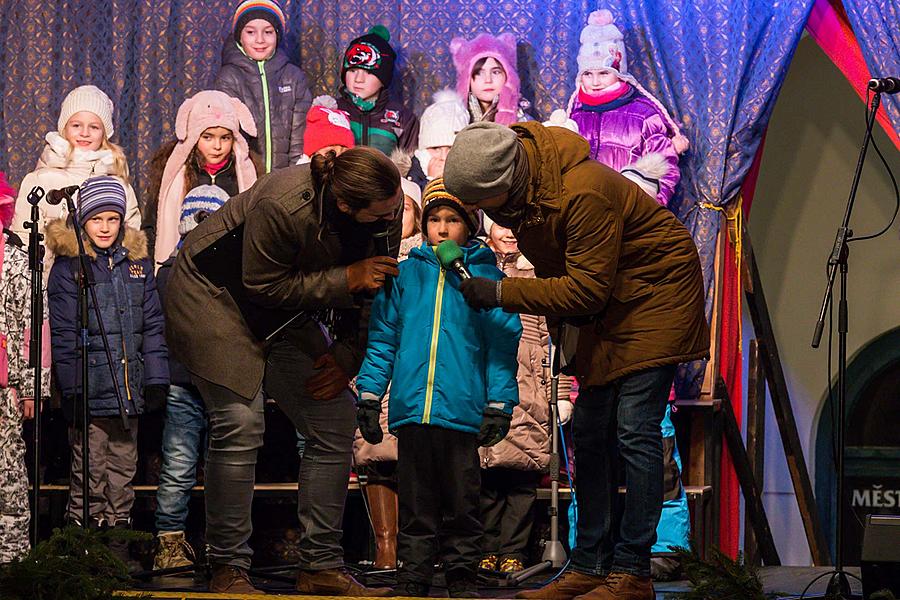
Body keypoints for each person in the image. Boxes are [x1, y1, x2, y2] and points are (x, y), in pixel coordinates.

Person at [443, 121, 709, 600]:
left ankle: (632, 573)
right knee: (589, 433)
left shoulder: (581, 192)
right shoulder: (530, 196)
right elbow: (570, 279)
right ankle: (589, 565)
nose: (481, 214)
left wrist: (501, 292)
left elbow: (584, 288)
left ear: (504, 185)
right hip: (609, 306)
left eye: (482, 203)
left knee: (634, 429)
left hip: (656, 297)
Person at [164, 147, 403, 595]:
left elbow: (376, 284)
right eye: (383, 212)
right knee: (239, 421)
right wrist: (345, 278)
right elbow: (261, 284)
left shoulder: (387, 204)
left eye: (394, 208)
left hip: (286, 307)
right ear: (347, 205)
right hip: (214, 298)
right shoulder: (284, 202)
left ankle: (320, 567)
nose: (394, 217)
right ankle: (228, 567)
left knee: (333, 417)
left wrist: (347, 356)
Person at [355, 177, 522, 597]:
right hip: (414, 410)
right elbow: (383, 339)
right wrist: (371, 397)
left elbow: (501, 345)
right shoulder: (406, 275)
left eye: (453, 220)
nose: (442, 229)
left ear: (470, 225)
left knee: (462, 502)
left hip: (461, 411)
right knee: (416, 502)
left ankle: (461, 573)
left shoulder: (483, 276)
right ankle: (413, 575)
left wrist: (500, 403)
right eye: (434, 220)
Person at [46, 176, 169, 563]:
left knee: (123, 473)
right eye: (96, 219)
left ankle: (117, 553)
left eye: (112, 219)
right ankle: (86, 555)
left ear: (121, 222)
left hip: (127, 392)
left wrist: (155, 380)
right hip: (90, 391)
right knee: (89, 475)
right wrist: (71, 389)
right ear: (82, 221)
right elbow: (64, 335)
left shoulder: (137, 267)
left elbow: (152, 327)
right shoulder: (69, 269)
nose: (104, 227)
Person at [478, 215, 574, 574]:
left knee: (522, 477)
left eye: (515, 228)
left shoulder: (537, 275)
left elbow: (553, 340)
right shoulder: (476, 268)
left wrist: (561, 391)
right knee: (485, 476)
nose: (509, 234)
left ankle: (514, 550)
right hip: (485, 381)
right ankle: (487, 548)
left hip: (528, 388)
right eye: (501, 225)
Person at [152, 185, 231, 570]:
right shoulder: (170, 272)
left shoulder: (235, 271)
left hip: (221, 383)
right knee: (179, 464)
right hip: (183, 382)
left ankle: (223, 545)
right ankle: (169, 543)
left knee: (224, 465)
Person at [349, 172, 422, 570]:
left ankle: (417, 547)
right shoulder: (370, 252)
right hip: (377, 358)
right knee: (377, 452)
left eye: (406, 208)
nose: (399, 216)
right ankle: (385, 546)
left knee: (415, 455)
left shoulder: (430, 259)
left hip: (417, 365)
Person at [565, 9, 688, 207]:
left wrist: (644, 214)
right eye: (588, 74)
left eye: (604, 73)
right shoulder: (574, 117)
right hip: (581, 221)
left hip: (629, 222)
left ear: (619, 73)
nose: (595, 82)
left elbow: (664, 169)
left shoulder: (645, 115)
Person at [11, 85, 141, 270]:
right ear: (65, 128)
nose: (85, 133)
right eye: (76, 125)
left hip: (102, 292)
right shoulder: (40, 181)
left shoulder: (118, 184)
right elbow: (24, 245)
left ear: (104, 133)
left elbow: (131, 240)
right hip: (51, 291)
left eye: (94, 127)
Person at [144, 90, 259, 265]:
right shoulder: (173, 174)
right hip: (182, 266)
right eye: (208, 137)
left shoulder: (243, 176)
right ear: (194, 136)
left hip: (230, 266)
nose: (217, 146)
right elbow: (152, 225)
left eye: (225, 138)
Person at [0, 173, 50, 564]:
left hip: (5, 389)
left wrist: (31, 385)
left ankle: (12, 560)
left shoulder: (17, 262)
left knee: (9, 478)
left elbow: (33, 328)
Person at [215, 0, 312, 173]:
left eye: (268, 32)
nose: (260, 40)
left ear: (278, 36)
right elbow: (228, 136)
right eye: (250, 32)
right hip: (245, 180)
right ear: (239, 36)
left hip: (283, 180)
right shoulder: (229, 77)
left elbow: (300, 137)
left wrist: (295, 179)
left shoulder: (293, 77)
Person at [337, 25, 419, 155]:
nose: (358, 79)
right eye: (352, 71)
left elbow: (411, 165)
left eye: (369, 72)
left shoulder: (403, 119)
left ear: (383, 79)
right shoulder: (332, 112)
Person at [450, 33, 532, 125]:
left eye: (495, 72)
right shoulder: (452, 120)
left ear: (508, 78)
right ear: (466, 81)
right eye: (479, 73)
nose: (488, 80)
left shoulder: (524, 123)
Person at [415, 90, 469, 182]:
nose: (443, 157)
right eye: (436, 148)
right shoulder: (409, 179)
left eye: (451, 148)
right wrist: (432, 181)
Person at [297, 95, 356, 164]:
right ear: (313, 154)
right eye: (331, 152)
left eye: (343, 150)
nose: (338, 155)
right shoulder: (296, 173)